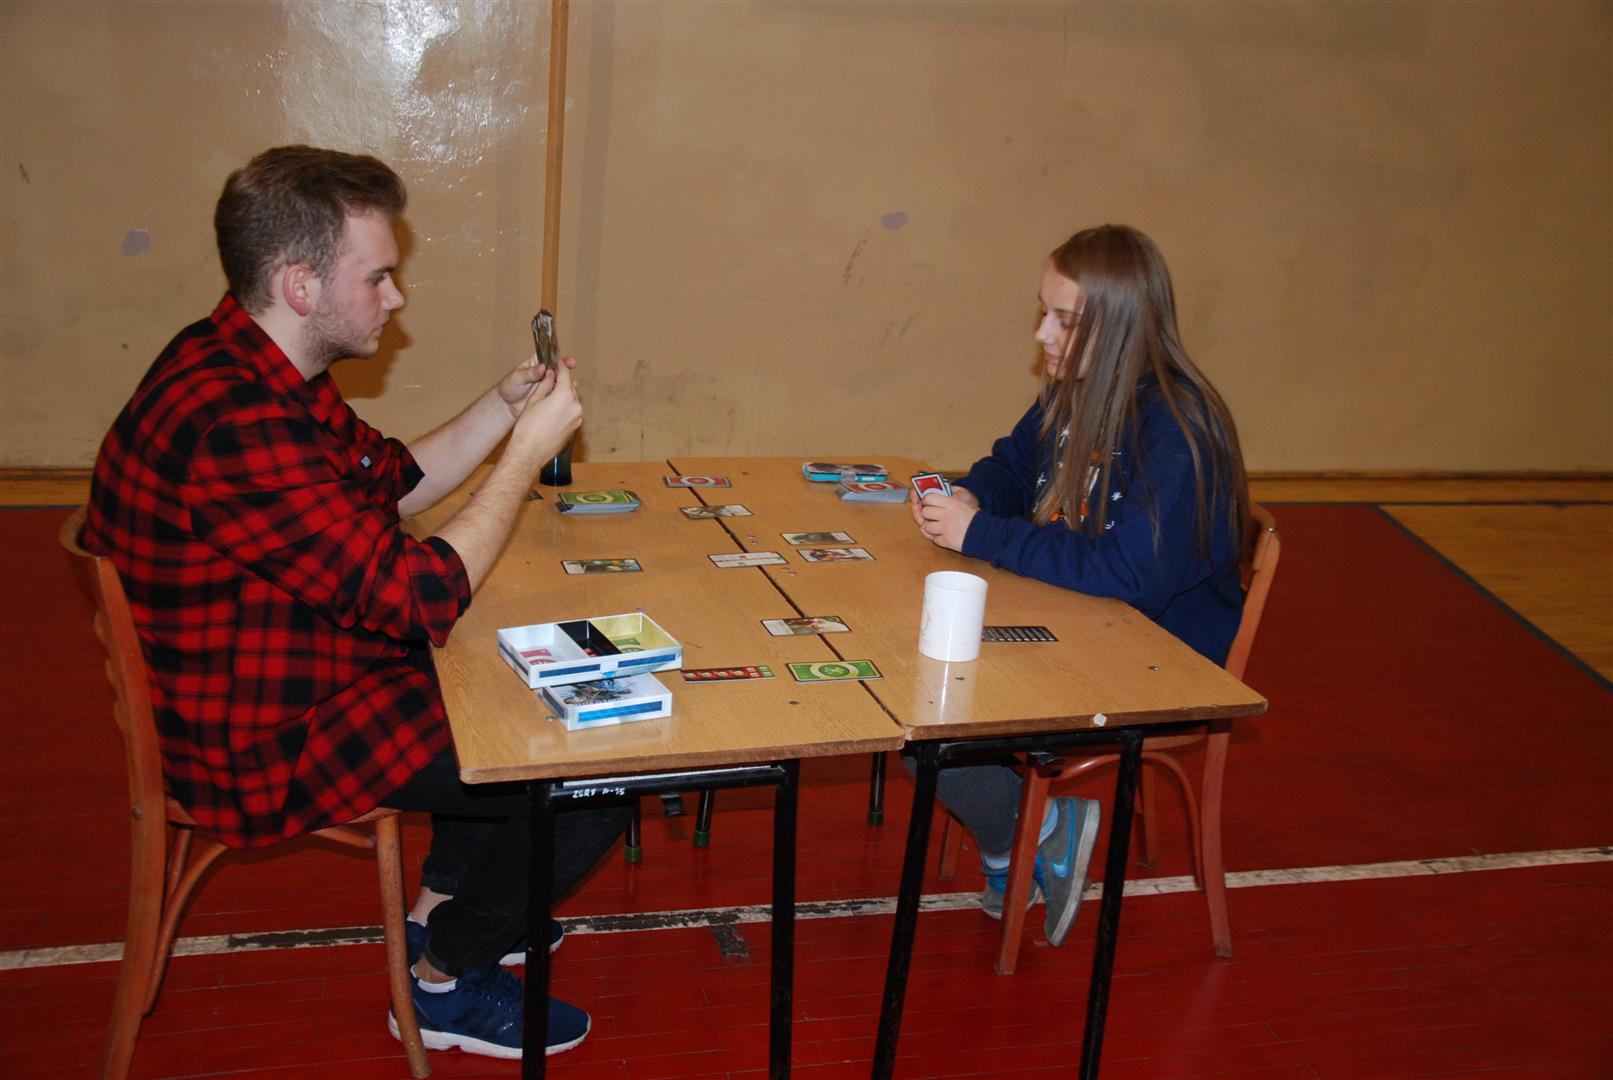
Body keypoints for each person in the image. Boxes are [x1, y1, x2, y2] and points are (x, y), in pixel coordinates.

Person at [82, 145, 633, 1060]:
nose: (395, 297)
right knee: (601, 759)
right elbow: (421, 597)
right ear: (300, 286)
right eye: (376, 277)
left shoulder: (242, 359)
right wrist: (522, 461)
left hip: (280, 668)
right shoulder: (238, 424)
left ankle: (438, 912)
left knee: (499, 668)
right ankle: (447, 978)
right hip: (259, 742)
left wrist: (503, 408)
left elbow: (391, 482)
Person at [908, 224, 1249, 948]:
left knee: (924, 710)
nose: (1042, 334)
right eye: (1044, 312)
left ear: (1121, 326)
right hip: (1083, 617)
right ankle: (1027, 836)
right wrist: (971, 497)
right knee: (912, 672)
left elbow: (1128, 575)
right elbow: (1013, 463)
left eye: (1064, 320)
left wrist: (985, 536)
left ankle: (1029, 837)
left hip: (1157, 656)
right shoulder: (1078, 389)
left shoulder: (1178, 429)